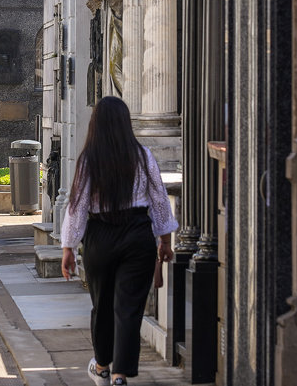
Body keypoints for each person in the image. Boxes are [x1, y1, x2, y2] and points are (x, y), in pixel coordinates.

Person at [59, 96, 177, 386]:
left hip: (101, 236)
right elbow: (159, 199)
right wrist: (164, 239)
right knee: (129, 308)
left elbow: (77, 205)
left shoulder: (90, 158)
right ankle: (120, 374)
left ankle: (101, 365)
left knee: (102, 304)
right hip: (137, 234)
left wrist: (68, 248)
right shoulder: (142, 155)